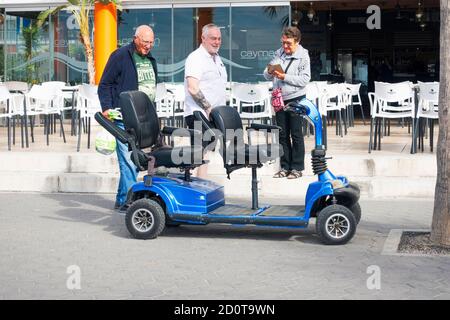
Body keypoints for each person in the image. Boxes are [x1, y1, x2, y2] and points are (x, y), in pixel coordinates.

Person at [98, 25, 158, 211]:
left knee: (133, 160)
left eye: (151, 42)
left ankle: (122, 198)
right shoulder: (121, 56)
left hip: (143, 118)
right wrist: (107, 107)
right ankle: (129, 202)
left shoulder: (150, 59)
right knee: (129, 160)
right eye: (145, 42)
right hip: (124, 117)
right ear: (135, 39)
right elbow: (105, 84)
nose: (148, 46)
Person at [264, 26, 311, 179]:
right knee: (282, 134)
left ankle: (297, 168)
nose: (285, 46)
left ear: (297, 41)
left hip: (296, 98)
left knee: (296, 134)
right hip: (279, 99)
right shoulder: (279, 53)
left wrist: (284, 77)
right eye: (283, 42)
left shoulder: (303, 56)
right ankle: (285, 167)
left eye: (288, 43)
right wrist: (269, 72)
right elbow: (266, 75)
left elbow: (304, 79)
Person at [184, 23, 228, 178]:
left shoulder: (217, 58)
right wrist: (209, 109)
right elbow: (193, 88)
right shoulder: (196, 58)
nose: (217, 42)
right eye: (213, 39)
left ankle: (200, 185)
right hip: (199, 114)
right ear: (203, 38)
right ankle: (194, 189)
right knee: (199, 154)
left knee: (206, 152)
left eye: (219, 39)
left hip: (212, 115)